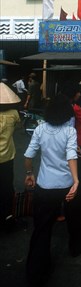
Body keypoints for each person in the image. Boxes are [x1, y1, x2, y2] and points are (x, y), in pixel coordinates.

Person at [24, 94, 81, 287]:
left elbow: (28, 155)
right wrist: (76, 180)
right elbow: (71, 155)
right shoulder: (69, 131)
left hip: (44, 185)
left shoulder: (40, 128)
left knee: (41, 230)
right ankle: (77, 246)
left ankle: (36, 274)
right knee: (74, 218)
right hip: (67, 185)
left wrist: (29, 174)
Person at [0, 82, 21, 232]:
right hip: (7, 157)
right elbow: (18, 126)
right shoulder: (14, 113)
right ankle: (7, 217)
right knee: (7, 187)